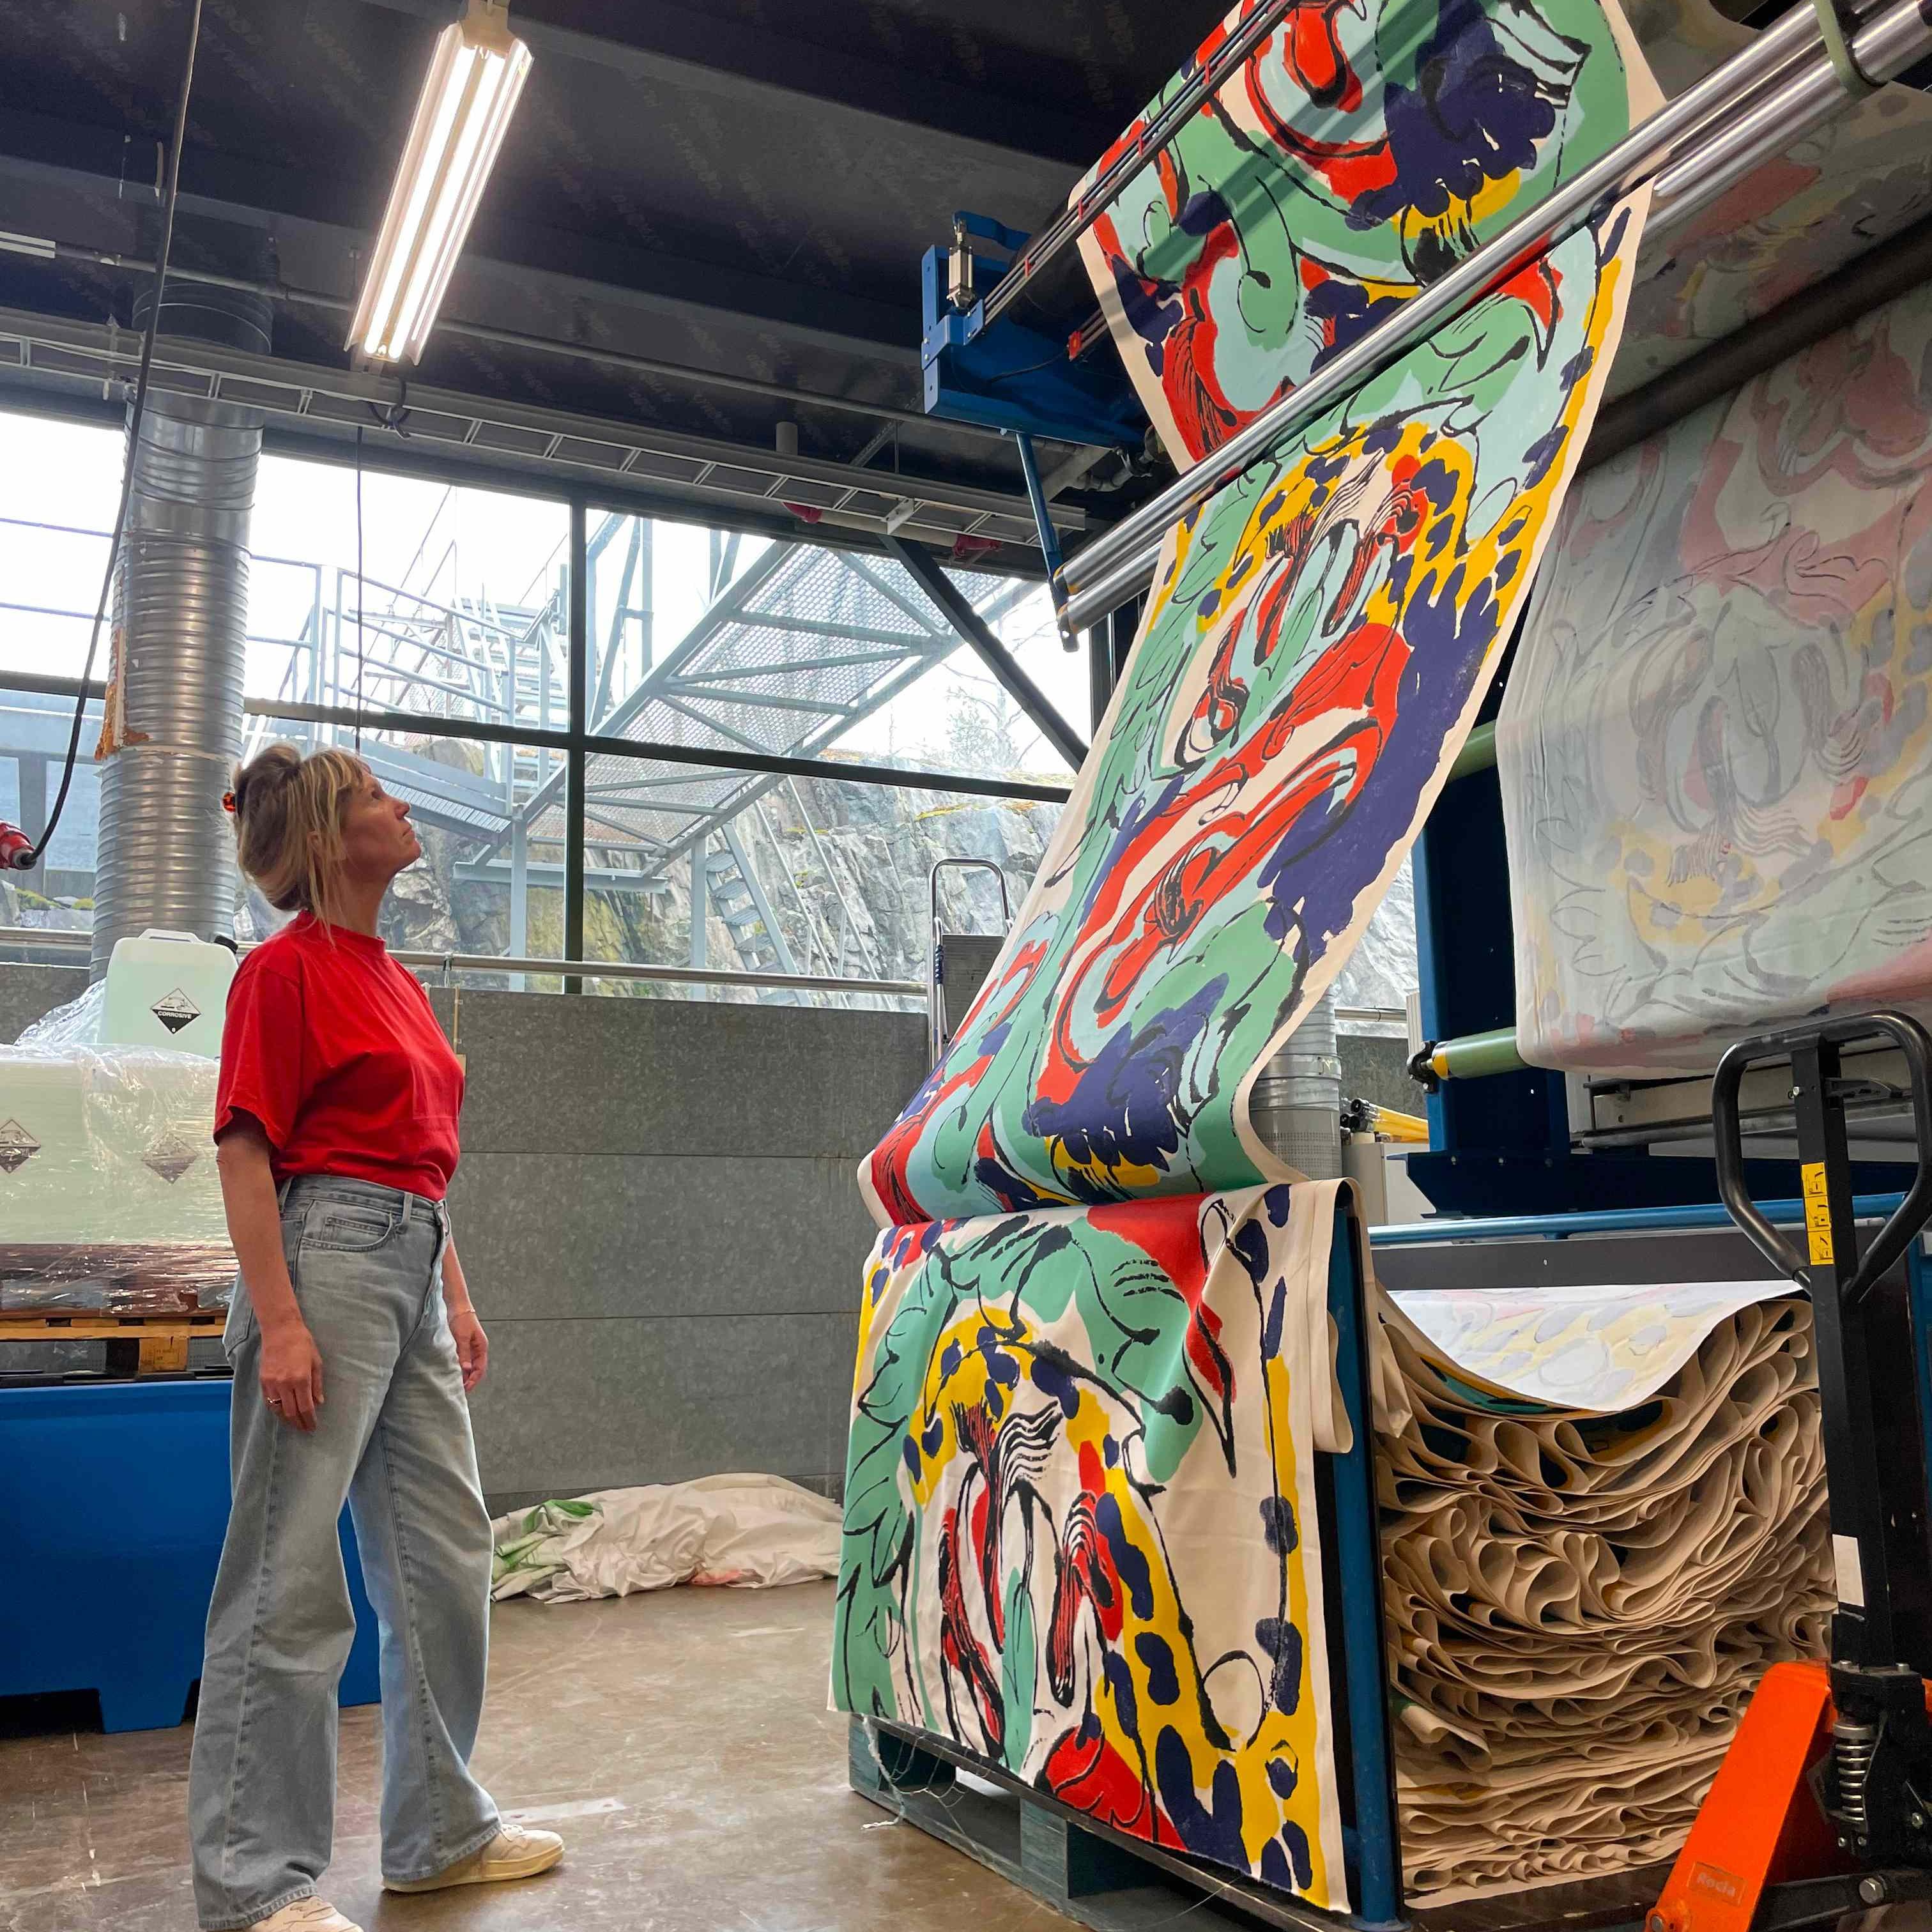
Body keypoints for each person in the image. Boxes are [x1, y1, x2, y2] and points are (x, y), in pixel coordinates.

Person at [187, 744, 561, 1932]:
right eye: (378, 800)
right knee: (290, 1578)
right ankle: (256, 1884)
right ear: (325, 838)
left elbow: (415, 1154)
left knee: (446, 1561)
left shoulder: (390, 975)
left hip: (410, 1248)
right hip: (328, 1258)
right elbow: (248, 1151)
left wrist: (454, 1288)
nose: (405, 811)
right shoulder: (279, 974)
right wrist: (283, 1317)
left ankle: (441, 1832)